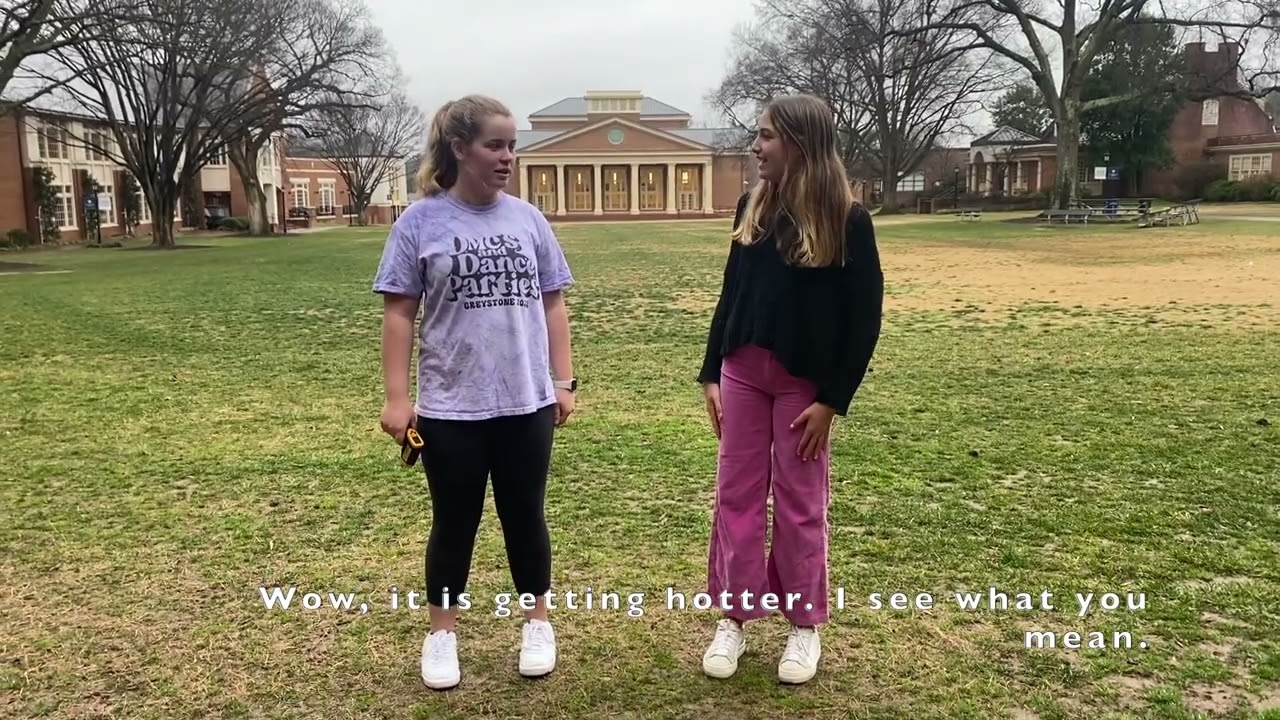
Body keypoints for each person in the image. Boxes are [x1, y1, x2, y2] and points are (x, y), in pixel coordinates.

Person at [371, 94, 577, 691]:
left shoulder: (528, 220)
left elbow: (554, 303)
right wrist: (397, 398)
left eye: (512, 145)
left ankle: (537, 623)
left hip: (526, 402)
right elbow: (399, 314)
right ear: (460, 148)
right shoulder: (419, 223)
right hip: (450, 407)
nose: (507, 156)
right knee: (454, 521)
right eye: (495, 145)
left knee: (525, 515)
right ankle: (442, 634)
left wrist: (563, 381)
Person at [696, 94, 884, 685]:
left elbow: (864, 319)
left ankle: (804, 625)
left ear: (801, 143)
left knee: (801, 502)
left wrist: (833, 400)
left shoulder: (847, 220)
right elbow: (730, 294)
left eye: (767, 136)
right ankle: (734, 616)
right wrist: (710, 372)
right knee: (737, 496)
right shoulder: (751, 207)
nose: (756, 147)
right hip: (742, 372)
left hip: (805, 386)